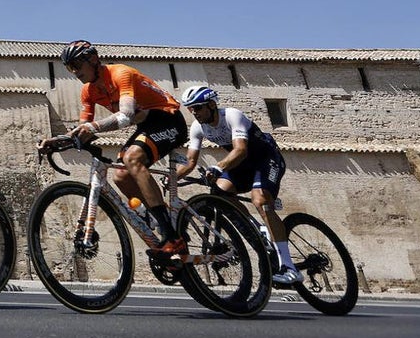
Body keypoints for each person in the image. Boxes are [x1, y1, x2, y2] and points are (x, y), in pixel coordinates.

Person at [37, 40, 189, 255]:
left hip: (168, 118)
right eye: (70, 68)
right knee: (120, 176)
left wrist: (93, 126)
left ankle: (172, 237)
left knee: (133, 159)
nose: (75, 72)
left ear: (93, 59)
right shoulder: (88, 92)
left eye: (77, 65)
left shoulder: (120, 73)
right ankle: (155, 216)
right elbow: (83, 130)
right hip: (146, 123)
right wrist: (59, 140)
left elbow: (126, 115)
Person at [176, 85, 302, 285]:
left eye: (198, 107)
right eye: (191, 109)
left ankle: (289, 267)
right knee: (220, 192)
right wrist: (173, 178)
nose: (195, 113)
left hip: (266, 159)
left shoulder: (232, 116)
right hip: (242, 166)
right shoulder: (198, 128)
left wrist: (219, 166)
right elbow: (190, 162)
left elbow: (241, 150)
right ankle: (257, 227)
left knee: (260, 199)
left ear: (211, 104)